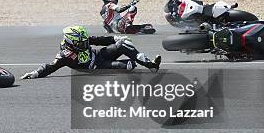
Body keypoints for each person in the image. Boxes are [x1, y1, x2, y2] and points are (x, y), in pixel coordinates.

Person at [20, 26, 161, 79]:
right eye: (82, 43)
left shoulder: (83, 39)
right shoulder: (65, 55)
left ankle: (150, 64)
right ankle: (132, 62)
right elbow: (50, 67)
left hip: (99, 55)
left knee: (123, 43)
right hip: (97, 68)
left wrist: (116, 38)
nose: (85, 44)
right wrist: (35, 73)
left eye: (85, 41)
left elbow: (99, 40)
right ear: (71, 43)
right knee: (129, 66)